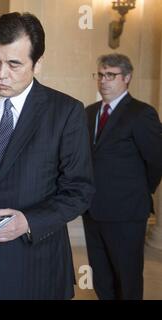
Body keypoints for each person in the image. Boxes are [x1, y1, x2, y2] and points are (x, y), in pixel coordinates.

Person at [0, 12, 95, 300]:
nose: (1, 74)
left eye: (14, 64)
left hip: (36, 268)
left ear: (38, 64)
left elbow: (80, 191)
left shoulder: (66, 112)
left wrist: (28, 222)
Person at [84, 53, 162, 300]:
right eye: (100, 74)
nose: (103, 81)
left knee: (127, 277)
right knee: (102, 276)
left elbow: (156, 161)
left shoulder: (142, 113)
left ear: (127, 78)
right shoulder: (88, 112)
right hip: (93, 210)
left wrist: (139, 191)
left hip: (127, 212)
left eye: (111, 75)